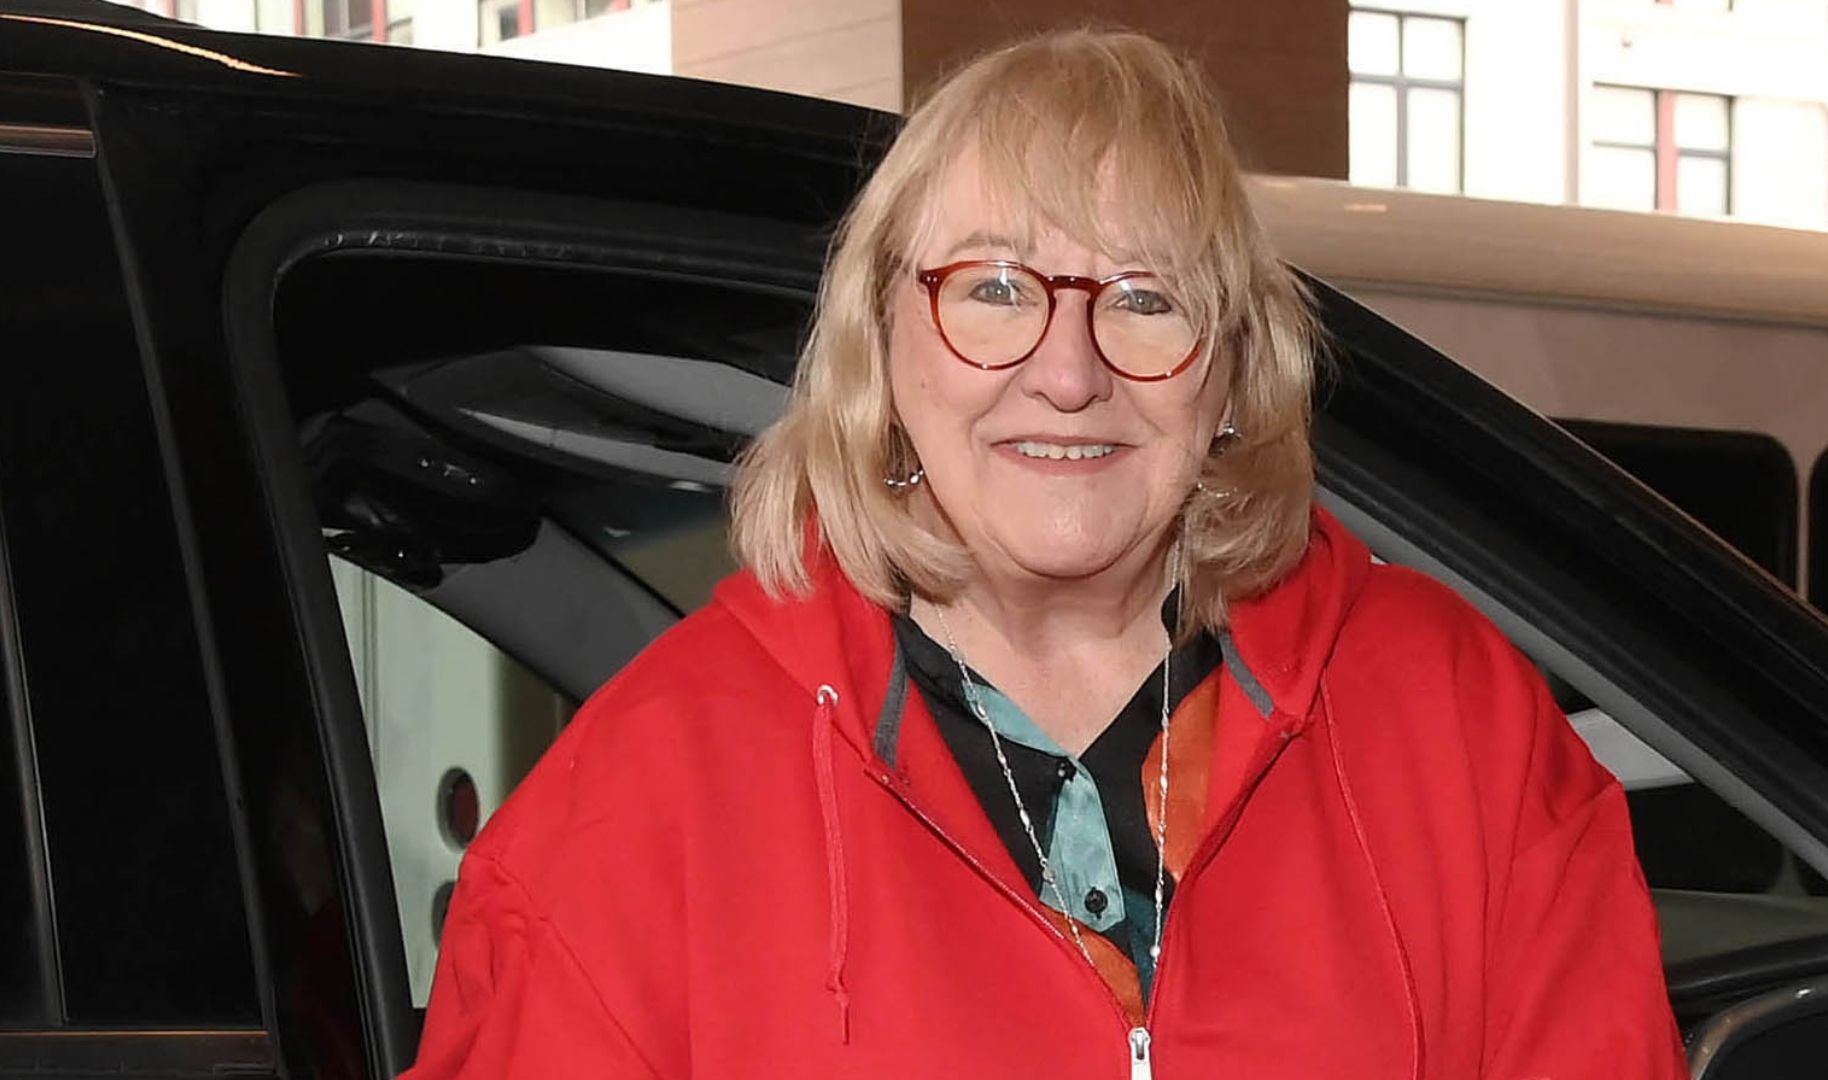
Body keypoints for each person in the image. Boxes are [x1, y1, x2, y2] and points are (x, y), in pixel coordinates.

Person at [403, 28, 1686, 1080]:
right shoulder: (641, 802)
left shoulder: (1455, 724)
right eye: (995, 289)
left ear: (1232, 374)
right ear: (883, 348)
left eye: (1146, 299)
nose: (1068, 373)